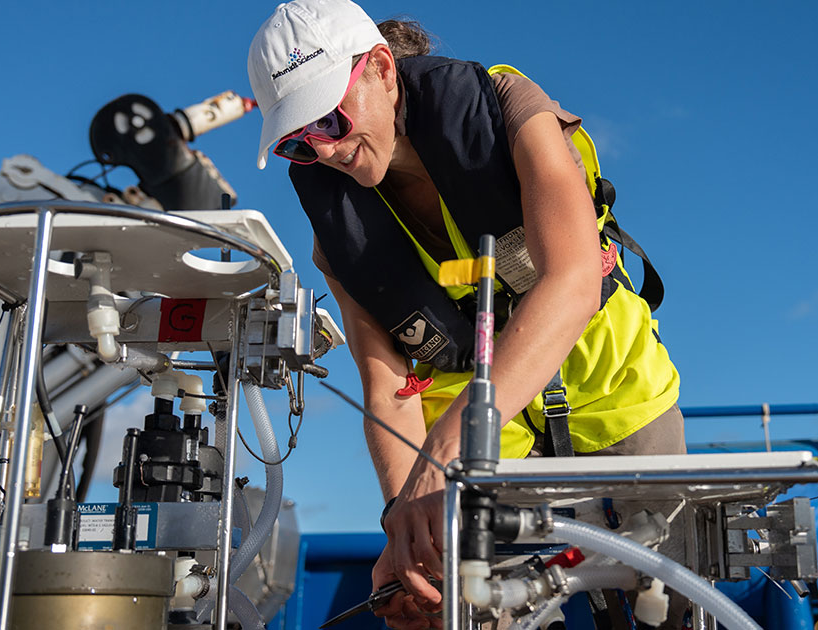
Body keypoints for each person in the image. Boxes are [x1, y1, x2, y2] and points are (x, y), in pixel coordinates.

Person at [248, 1, 684, 627]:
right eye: (297, 141)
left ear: (380, 68)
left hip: (616, 404)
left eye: (330, 118)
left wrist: (445, 450)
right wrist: (405, 524)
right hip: (491, 461)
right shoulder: (335, 240)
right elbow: (389, 387)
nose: (324, 149)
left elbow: (572, 281)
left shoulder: (511, 109)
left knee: (669, 607)